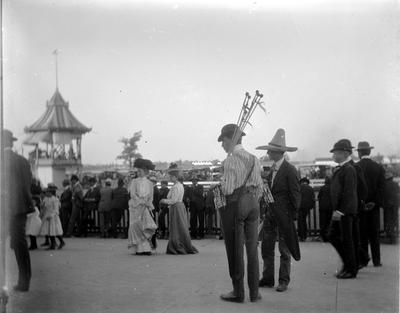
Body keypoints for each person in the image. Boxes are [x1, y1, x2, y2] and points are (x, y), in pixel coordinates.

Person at [216, 124, 263, 303]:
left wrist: (221, 180)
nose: (222, 145)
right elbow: (259, 186)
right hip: (253, 204)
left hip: (237, 204)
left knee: (235, 249)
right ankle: (254, 292)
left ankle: (238, 292)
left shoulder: (229, 160)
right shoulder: (254, 158)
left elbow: (227, 190)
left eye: (223, 141)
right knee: (252, 249)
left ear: (230, 139)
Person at [256, 128, 301, 292]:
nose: (267, 152)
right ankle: (268, 279)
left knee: (284, 249)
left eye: (270, 150)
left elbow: (296, 196)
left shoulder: (290, 170)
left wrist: (292, 216)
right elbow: (268, 194)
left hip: (284, 216)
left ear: (277, 152)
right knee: (267, 248)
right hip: (270, 215)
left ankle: (283, 281)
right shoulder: (271, 172)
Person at [3, 129, 33, 292]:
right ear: (11, 142)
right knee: (20, 244)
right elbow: (27, 185)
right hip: (18, 208)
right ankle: (24, 282)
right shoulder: (22, 161)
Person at [329, 139, 358, 279]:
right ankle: (348, 265)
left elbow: (349, 192)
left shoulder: (349, 169)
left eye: (337, 153)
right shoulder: (343, 168)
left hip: (344, 212)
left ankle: (351, 269)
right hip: (341, 211)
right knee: (334, 236)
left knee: (346, 240)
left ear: (346, 153)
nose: (334, 155)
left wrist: (340, 211)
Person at [356, 141, 385, 267]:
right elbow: (382, 188)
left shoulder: (355, 167)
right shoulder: (378, 167)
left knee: (362, 234)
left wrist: (361, 203)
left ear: (359, 152)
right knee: (374, 234)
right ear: (370, 151)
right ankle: (377, 261)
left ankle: (364, 260)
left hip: (361, 207)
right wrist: (375, 202)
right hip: (374, 207)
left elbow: (354, 189)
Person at [160, 163, 198, 255]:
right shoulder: (179, 186)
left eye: (171, 177)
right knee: (181, 227)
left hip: (176, 207)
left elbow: (173, 200)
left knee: (176, 227)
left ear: (175, 177)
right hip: (179, 207)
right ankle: (182, 244)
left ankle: (177, 245)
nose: (170, 178)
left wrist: (163, 200)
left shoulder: (176, 186)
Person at [127, 158, 158, 255]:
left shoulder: (149, 183)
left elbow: (151, 196)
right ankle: (139, 249)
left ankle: (147, 248)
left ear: (145, 172)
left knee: (145, 227)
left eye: (140, 171)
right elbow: (132, 194)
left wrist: (148, 203)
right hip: (136, 207)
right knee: (136, 226)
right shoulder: (134, 182)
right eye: (138, 171)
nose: (138, 173)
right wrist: (141, 202)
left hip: (145, 208)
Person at [39, 184, 65, 250]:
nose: (46, 193)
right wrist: (42, 210)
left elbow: (56, 210)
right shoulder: (46, 199)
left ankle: (59, 242)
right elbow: (44, 207)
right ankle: (54, 243)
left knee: (54, 230)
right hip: (47, 216)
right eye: (46, 192)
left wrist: (51, 215)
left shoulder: (55, 200)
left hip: (53, 217)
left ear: (51, 193)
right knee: (49, 231)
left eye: (48, 192)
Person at [383, 169, 399, 244]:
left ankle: (389, 234)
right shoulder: (396, 184)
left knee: (388, 220)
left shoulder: (384, 185)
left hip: (387, 205)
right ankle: (394, 234)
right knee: (395, 219)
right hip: (395, 205)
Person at [298, 177, 315, 242]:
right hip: (307, 207)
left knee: (300, 221)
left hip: (300, 206)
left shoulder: (299, 188)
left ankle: (301, 235)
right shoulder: (310, 188)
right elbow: (312, 198)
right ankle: (305, 235)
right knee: (304, 220)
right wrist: (311, 206)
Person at [318, 177, 333, 242]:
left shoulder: (322, 188)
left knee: (322, 222)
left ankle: (322, 236)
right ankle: (328, 236)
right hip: (330, 207)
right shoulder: (332, 188)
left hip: (322, 207)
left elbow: (319, 196)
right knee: (328, 222)